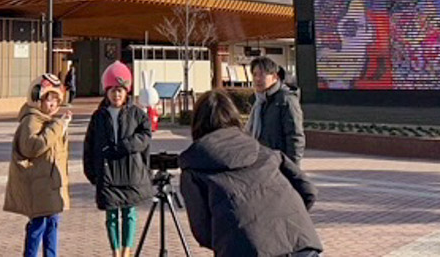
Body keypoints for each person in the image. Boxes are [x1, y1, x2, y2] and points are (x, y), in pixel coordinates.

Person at [179, 90, 322, 257]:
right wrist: (285, 217)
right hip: (301, 244)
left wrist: (236, 236)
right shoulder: (267, 154)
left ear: (196, 123)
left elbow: (203, 231)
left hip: (245, 250)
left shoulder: (195, 167)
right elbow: (308, 190)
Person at [83, 61, 152, 257]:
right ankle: (115, 251)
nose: (117, 94)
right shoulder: (98, 117)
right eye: (113, 90)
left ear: (127, 91)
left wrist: (126, 145)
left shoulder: (137, 114)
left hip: (130, 171)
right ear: (106, 91)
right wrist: (91, 171)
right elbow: (89, 145)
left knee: (129, 213)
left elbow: (145, 136)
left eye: (120, 90)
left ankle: (127, 250)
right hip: (108, 173)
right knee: (111, 214)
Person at [4, 73, 72, 257]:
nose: (52, 105)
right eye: (48, 100)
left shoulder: (50, 121)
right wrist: (58, 127)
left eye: (56, 101)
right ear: (37, 98)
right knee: (38, 225)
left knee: (53, 223)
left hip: (50, 184)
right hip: (38, 184)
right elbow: (32, 147)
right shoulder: (31, 120)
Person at [247, 56, 306, 165]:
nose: (257, 79)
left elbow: (295, 136)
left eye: (262, 74)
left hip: (277, 163)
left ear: (275, 76)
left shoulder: (285, 100)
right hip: (258, 162)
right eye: (254, 74)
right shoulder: (257, 101)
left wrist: (292, 167)